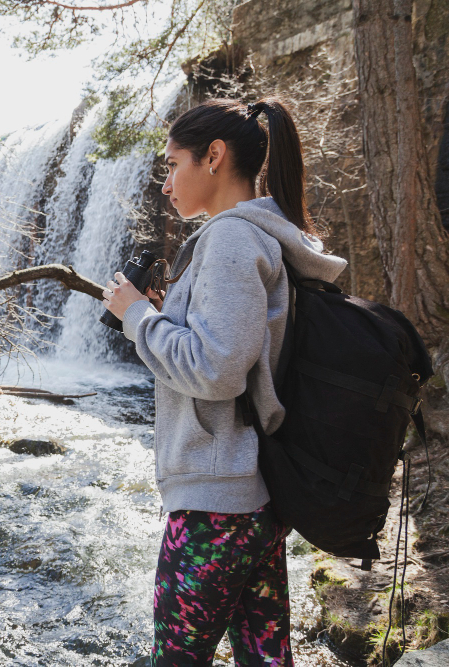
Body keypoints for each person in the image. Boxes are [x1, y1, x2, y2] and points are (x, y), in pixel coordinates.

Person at [101, 98, 348, 666]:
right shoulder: (254, 236)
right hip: (251, 496)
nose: (165, 183)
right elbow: (228, 356)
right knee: (265, 659)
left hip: (218, 507)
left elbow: (216, 371)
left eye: (171, 164)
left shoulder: (230, 240)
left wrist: (138, 317)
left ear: (213, 156)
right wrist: (162, 321)